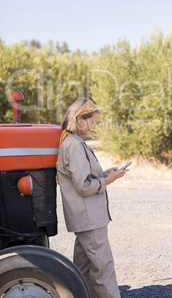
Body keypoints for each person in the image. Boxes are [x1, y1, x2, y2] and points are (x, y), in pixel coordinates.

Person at [57, 97, 128, 297]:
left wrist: (104, 174)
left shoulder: (71, 141)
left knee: (83, 270)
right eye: (92, 121)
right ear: (79, 119)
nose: (94, 126)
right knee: (103, 269)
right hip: (90, 218)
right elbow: (84, 186)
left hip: (84, 218)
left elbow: (81, 178)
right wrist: (108, 181)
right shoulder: (74, 144)